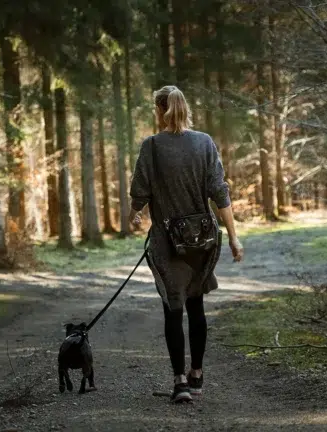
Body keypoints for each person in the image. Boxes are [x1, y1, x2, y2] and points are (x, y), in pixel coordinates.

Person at [129, 85, 244, 403]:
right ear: (185, 108)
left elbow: (139, 193)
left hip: (168, 242)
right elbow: (220, 192)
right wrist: (234, 237)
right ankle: (197, 374)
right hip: (203, 239)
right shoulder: (204, 142)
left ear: (159, 110)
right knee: (196, 305)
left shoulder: (151, 147)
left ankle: (179, 382)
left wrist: (133, 215)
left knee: (173, 308)